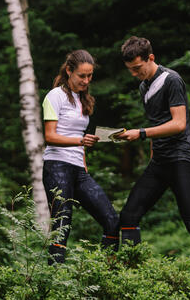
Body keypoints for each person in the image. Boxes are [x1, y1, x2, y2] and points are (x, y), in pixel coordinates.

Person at [116, 36, 190, 268]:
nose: (134, 74)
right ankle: (131, 278)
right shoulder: (143, 87)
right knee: (128, 216)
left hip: (181, 159)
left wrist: (140, 133)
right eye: (130, 69)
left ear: (151, 58)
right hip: (159, 163)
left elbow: (179, 124)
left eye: (137, 68)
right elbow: (156, 123)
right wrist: (151, 153)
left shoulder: (172, 80)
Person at [42, 49, 119, 264]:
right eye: (82, 76)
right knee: (61, 226)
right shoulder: (54, 96)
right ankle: (53, 284)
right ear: (69, 71)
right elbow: (50, 136)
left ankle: (106, 274)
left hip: (78, 168)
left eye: (90, 75)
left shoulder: (83, 99)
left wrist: (83, 163)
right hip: (56, 166)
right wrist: (80, 141)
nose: (86, 80)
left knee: (112, 219)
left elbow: (79, 137)